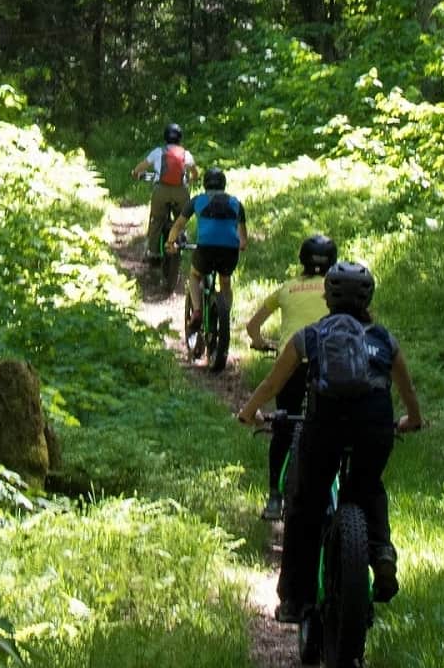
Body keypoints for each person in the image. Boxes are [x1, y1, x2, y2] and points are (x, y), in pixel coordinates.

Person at [238, 261, 423, 618]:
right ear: (369, 297)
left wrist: (248, 412)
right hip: (375, 427)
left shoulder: (309, 336)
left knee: (306, 504)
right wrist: (412, 420)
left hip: (324, 427)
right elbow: (407, 388)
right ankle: (381, 550)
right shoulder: (384, 339)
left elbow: (272, 384)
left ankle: (294, 600)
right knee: (368, 487)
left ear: (327, 297)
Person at [242, 234, 339, 520]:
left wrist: (260, 342)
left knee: (284, 424)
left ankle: (274, 497)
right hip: (330, 364)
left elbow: (252, 326)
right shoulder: (338, 290)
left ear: (302, 260)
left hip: (292, 362)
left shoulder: (287, 289)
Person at [179, 168, 249, 363]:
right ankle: (224, 313)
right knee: (225, 280)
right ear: (224, 185)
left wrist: (170, 242)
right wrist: (240, 245)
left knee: (194, 275)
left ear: (205, 184)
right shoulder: (236, 203)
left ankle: (198, 310)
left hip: (206, 249)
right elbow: (244, 239)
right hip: (229, 252)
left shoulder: (198, 201)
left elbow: (179, 225)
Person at [132, 124, 195, 271]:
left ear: (165, 137)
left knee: (157, 220)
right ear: (180, 138)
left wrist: (135, 174)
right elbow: (195, 173)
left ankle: (153, 253)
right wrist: (191, 180)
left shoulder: (158, 152)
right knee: (181, 218)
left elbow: (141, 167)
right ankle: (181, 239)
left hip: (161, 191)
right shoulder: (186, 154)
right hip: (181, 192)